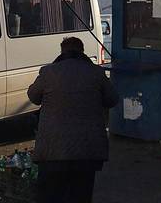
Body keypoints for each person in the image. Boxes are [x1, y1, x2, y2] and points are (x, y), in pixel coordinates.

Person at [28, 36, 119, 203]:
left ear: (62, 51)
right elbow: (113, 99)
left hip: (53, 148)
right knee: (81, 194)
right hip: (87, 149)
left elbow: (33, 96)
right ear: (82, 51)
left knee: (52, 195)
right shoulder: (96, 73)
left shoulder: (48, 72)